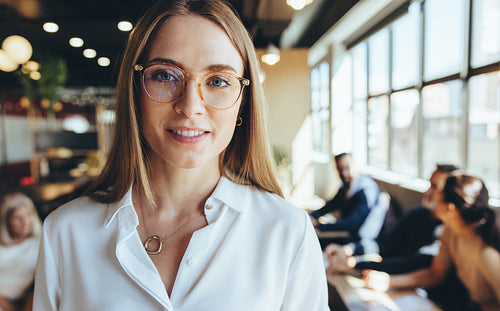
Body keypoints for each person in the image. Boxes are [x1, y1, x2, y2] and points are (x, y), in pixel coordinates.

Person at [33, 1, 329, 310]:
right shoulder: (65, 233)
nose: (190, 107)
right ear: (135, 90)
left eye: (217, 81)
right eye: (164, 76)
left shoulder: (286, 231)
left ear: (243, 101)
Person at [365, 173, 500, 311]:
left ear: (450, 208)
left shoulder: (487, 253)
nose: (433, 196)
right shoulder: (450, 231)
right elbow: (435, 273)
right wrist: (389, 281)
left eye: (439, 192)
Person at [324, 164, 459, 275]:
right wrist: (349, 249)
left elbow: (411, 264)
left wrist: (357, 265)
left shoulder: (447, 231)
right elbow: (385, 243)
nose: (427, 192)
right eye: (430, 185)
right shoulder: (418, 214)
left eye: (435, 187)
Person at [310, 152, 381, 243]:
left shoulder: (365, 190)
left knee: (316, 241)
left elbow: (352, 224)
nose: (344, 173)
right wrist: (311, 216)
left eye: (347, 168)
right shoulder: (346, 185)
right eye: (340, 169)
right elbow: (332, 204)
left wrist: (319, 225)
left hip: (363, 241)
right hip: (350, 233)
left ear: (355, 166)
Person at [0, 192, 42, 311]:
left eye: (28, 215)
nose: (25, 223)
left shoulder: (39, 244)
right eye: (18, 218)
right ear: (6, 220)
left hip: (24, 302)